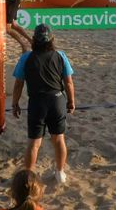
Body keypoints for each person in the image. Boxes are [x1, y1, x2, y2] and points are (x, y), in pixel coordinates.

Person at [11, 24, 75, 184]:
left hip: (37, 102)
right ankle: (60, 173)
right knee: (59, 139)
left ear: (33, 40)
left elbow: (18, 83)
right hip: (57, 99)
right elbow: (68, 83)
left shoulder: (26, 57)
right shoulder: (60, 55)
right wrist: (71, 101)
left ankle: (28, 178)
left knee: (34, 143)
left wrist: (15, 103)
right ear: (52, 40)